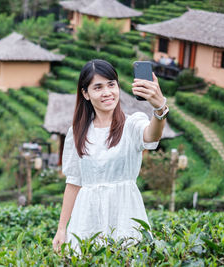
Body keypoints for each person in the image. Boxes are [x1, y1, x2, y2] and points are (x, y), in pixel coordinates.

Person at [52, 59, 168, 254]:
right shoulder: (78, 132)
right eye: (98, 87)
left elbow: (151, 135)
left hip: (125, 212)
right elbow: (73, 183)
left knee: (128, 257)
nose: (107, 93)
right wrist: (61, 229)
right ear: (85, 94)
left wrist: (160, 109)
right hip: (87, 217)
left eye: (111, 85)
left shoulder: (132, 124)